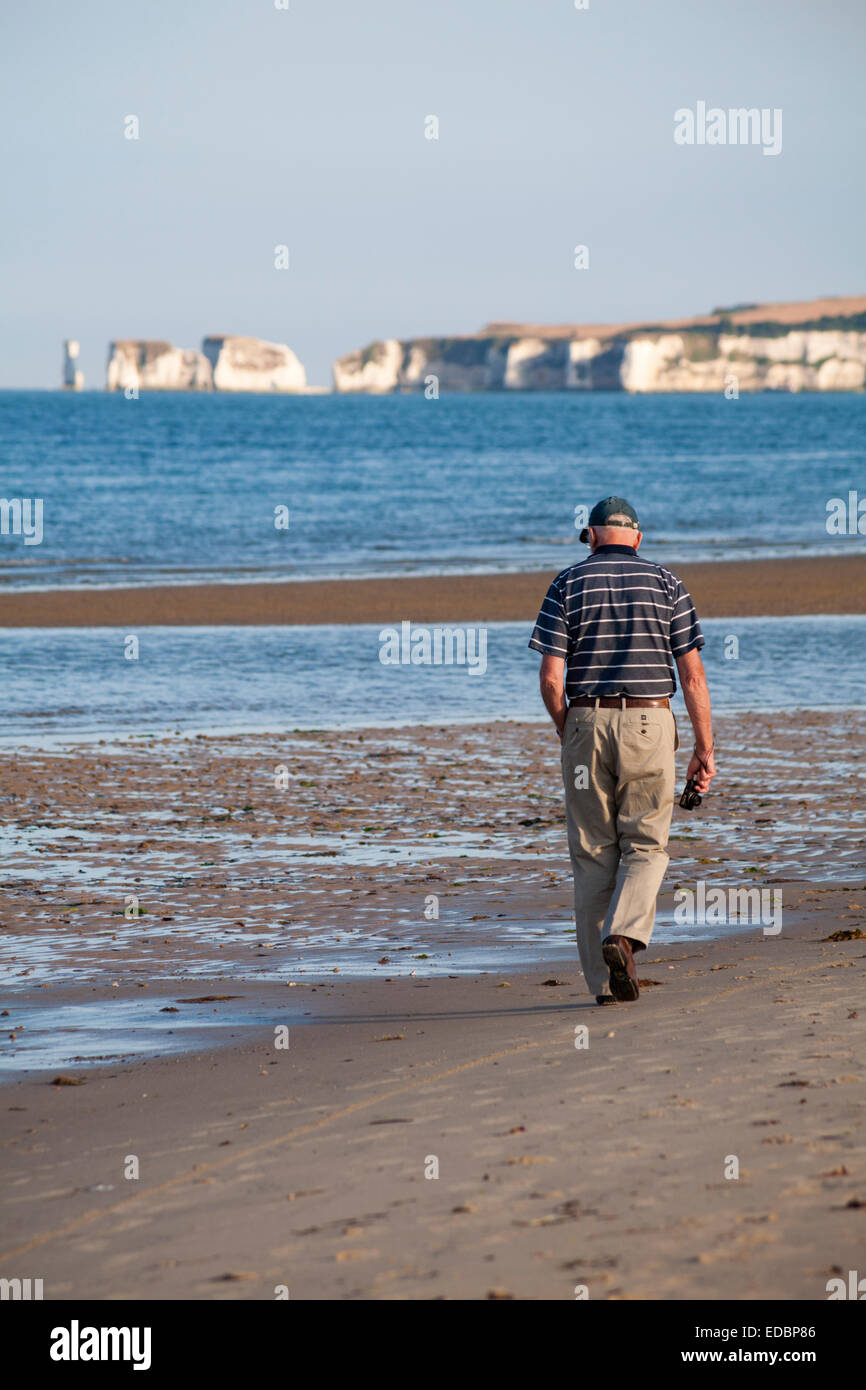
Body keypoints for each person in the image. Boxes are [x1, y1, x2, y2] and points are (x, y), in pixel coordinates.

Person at [528, 496, 716, 1004]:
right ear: (638, 536)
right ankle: (624, 934)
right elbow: (692, 675)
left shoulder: (566, 583)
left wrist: (572, 728)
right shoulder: (667, 582)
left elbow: (550, 679)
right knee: (646, 845)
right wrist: (704, 746)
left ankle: (603, 987)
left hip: (586, 719)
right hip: (650, 723)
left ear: (591, 536)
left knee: (592, 856)